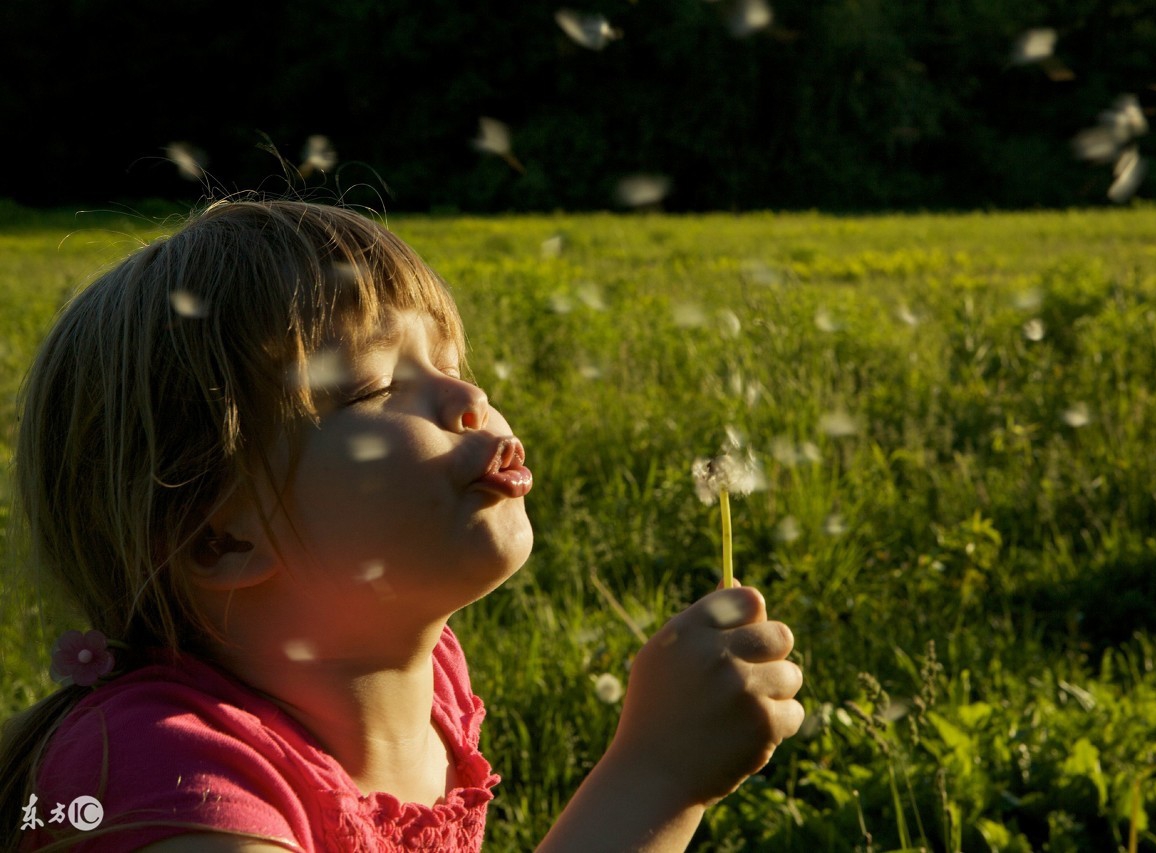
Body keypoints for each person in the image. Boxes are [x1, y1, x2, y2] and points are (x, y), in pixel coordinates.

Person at [0, 198, 804, 851]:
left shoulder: (431, 685)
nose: (468, 399)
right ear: (220, 537)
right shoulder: (169, 778)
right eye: (375, 385)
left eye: (451, 360)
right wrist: (655, 775)